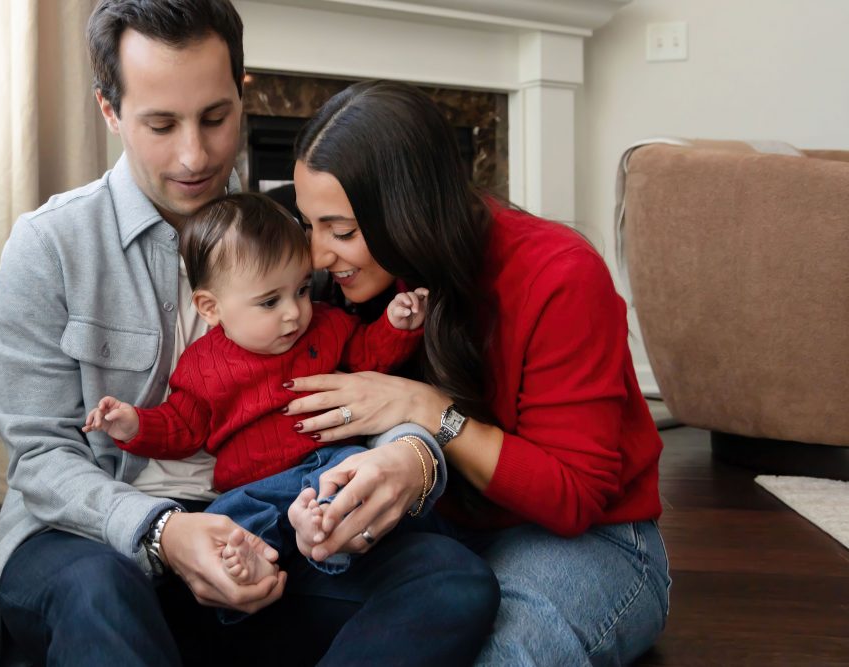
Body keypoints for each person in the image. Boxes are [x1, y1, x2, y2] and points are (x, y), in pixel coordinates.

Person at [0, 2, 498, 665]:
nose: (194, 154)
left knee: (451, 579)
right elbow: (38, 454)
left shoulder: (298, 238)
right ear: (109, 110)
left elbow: (375, 378)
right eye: (160, 124)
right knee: (97, 595)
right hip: (97, 537)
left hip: (276, 524)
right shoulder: (49, 245)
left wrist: (409, 453)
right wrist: (163, 532)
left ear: (242, 96)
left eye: (215, 118)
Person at [283, 79, 672, 666]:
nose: (317, 255)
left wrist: (426, 409)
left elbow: (574, 497)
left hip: (590, 539)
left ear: (407, 211)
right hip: (448, 534)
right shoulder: (362, 289)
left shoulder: (559, 276)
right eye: (310, 226)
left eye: (342, 232)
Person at [83, 192, 430, 586]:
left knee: (355, 480)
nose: (294, 313)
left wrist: (396, 326)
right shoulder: (203, 365)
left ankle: (319, 531)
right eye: (269, 302)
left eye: (301, 289)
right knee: (231, 520)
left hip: (329, 459)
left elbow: (369, 355)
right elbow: (183, 425)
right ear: (210, 308)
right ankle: (251, 568)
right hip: (252, 485)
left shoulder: (327, 325)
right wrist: (133, 426)